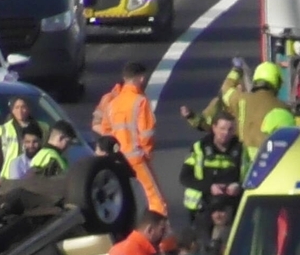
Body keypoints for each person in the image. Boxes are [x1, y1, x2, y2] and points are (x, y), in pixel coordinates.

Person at [104, 62, 167, 216]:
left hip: (117, 158)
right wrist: (146, 152)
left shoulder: (113, 103)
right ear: (140, 78)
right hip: (136, 157)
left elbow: (106, 130)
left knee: (121, 199)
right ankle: (164, 237)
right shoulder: (140, 101)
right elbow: (147, 131)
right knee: (156, 199)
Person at [215, 60, 297, 171]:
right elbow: (288, 143)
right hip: (266, 165)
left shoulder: (241, 99)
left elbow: (225, 90)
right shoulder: (283, 109)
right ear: (276, 83)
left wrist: (236, 69)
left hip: (239, 163)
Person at [178, 111, 245, 226]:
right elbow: (184, 177)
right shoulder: (200, 148)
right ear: (214, 128)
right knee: (202, 241)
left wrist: (238, 186)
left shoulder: (241, 150)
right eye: (222, 129)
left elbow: (250, 177)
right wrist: (209, 187)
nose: (226, 133)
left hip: (230, 207)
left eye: (230, 129)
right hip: (203, 207)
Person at [0, 97, 49, 179]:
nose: (20, 110)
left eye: (23, 107)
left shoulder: (43, 128)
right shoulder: (3, 130)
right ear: (12, 110)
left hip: (36, 177)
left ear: (29, 109)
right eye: (17, 107)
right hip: (9, 179)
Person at [179, 58, 244, 133]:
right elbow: (204, 123)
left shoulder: (251, 104)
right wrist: (190, 116)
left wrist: (237, 68)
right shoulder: (218, 104)